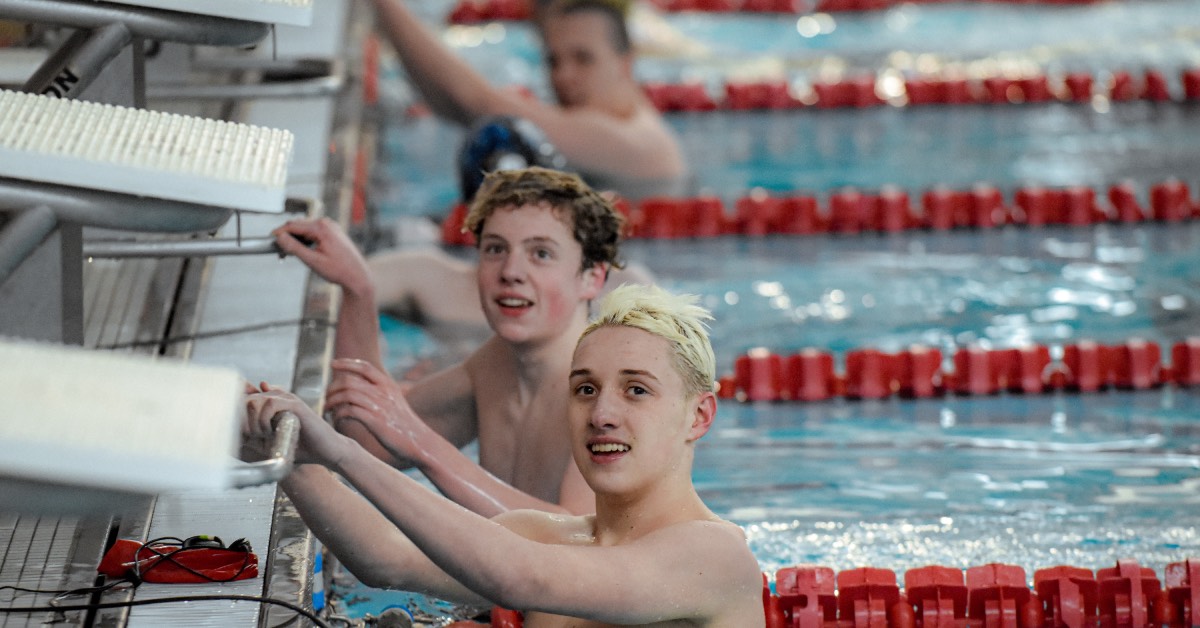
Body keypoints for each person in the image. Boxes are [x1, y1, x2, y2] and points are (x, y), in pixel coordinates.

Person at [242, 284, 765, 627]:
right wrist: (284, 452)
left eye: (636, 391)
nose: (602, 413)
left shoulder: (714, 557)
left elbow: (518, 578)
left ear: (699, 417)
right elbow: (386, 557)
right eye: (585, 389)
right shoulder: (544, 535)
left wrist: (341, 452)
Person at [272, 167, 629, 516]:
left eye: (541, 254)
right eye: (495, 249)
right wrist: (356, 290)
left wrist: (424, 447)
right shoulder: (495, 365)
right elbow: (368, 437)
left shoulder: (606, 394)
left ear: (592, 277)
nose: (511, 271)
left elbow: (579, 545)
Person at [369, 0, 688, 201]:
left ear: (625, 64)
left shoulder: (632, 142)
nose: (564, 76)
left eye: (583, 58)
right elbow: (457, 107)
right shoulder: (624, 112)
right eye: (553, 61)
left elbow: (478, 104)